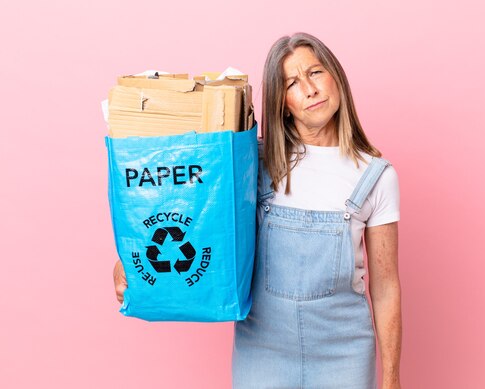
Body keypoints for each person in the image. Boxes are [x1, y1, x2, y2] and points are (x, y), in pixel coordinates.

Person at [114, 32, 402, 388]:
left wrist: (390, 379)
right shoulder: (253, 162)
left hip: (345, 353)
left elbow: (386, 285)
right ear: (283, 103)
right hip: (261, 349)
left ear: (336, 78)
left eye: (315, 72)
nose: (309, 89)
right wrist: (133, 262)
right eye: (292, 83)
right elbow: (190, 208)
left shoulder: (376, 176)